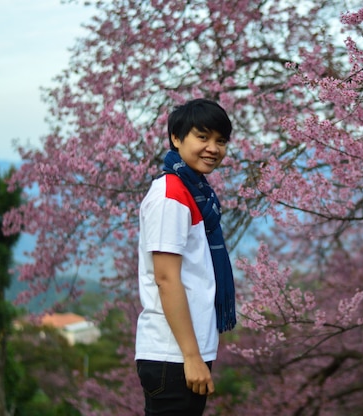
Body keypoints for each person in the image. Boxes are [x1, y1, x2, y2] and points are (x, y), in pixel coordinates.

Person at [135, 98, 237, 416]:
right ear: (177, 139)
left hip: (182, 352)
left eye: (221, 141)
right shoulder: (171, 196)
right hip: (173, 355)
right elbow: (166, 279)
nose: (213, 148)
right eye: (202, 137)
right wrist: (191, 357)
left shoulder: (194, 193)